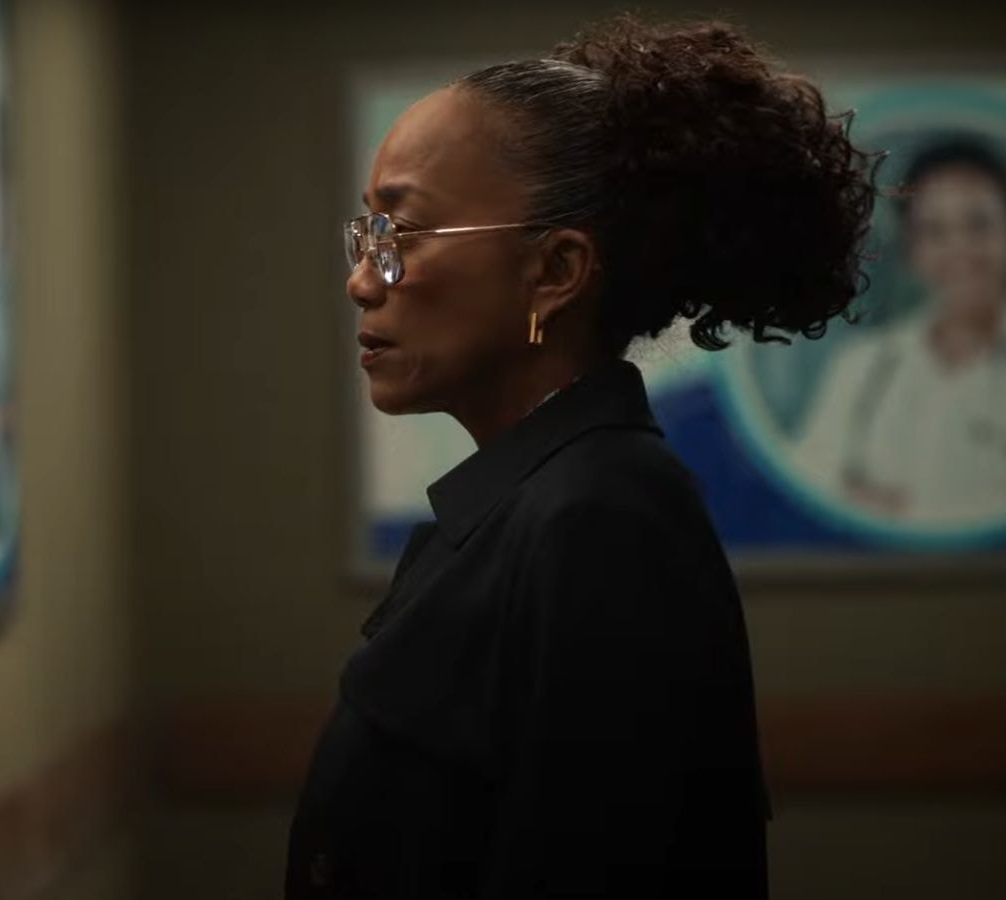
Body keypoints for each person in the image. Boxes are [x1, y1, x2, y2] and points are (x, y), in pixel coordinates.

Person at [286, 16, 877, 900]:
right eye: (366, 238)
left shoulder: (603, 520)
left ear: (555, 271)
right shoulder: (542, 499)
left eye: (403, 236)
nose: (365, 280)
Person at [792, 138, 1006, 525]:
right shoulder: (861, 367)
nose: (959, 247)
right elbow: (810, 486)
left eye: (978, 224)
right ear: (912, 250)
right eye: (934, 231)